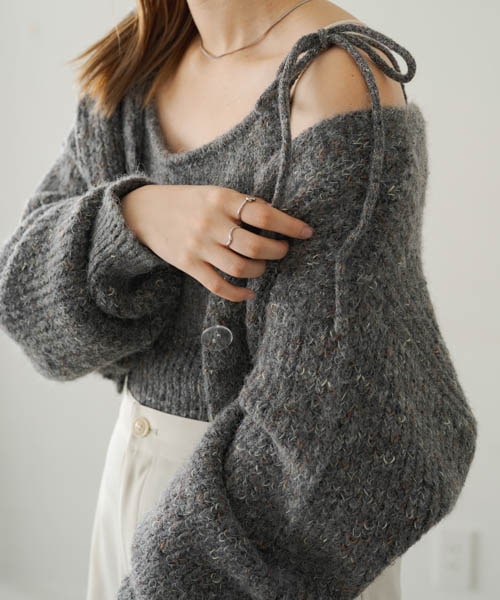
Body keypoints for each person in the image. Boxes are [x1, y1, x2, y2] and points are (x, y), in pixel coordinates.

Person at [0, 1, 477, 599]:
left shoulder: (334, 77)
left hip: (267, 537)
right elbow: (24, 308)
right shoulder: (133, 70)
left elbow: (331, 421)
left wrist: (175, 579)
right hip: (131, 489)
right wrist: (134, 219)